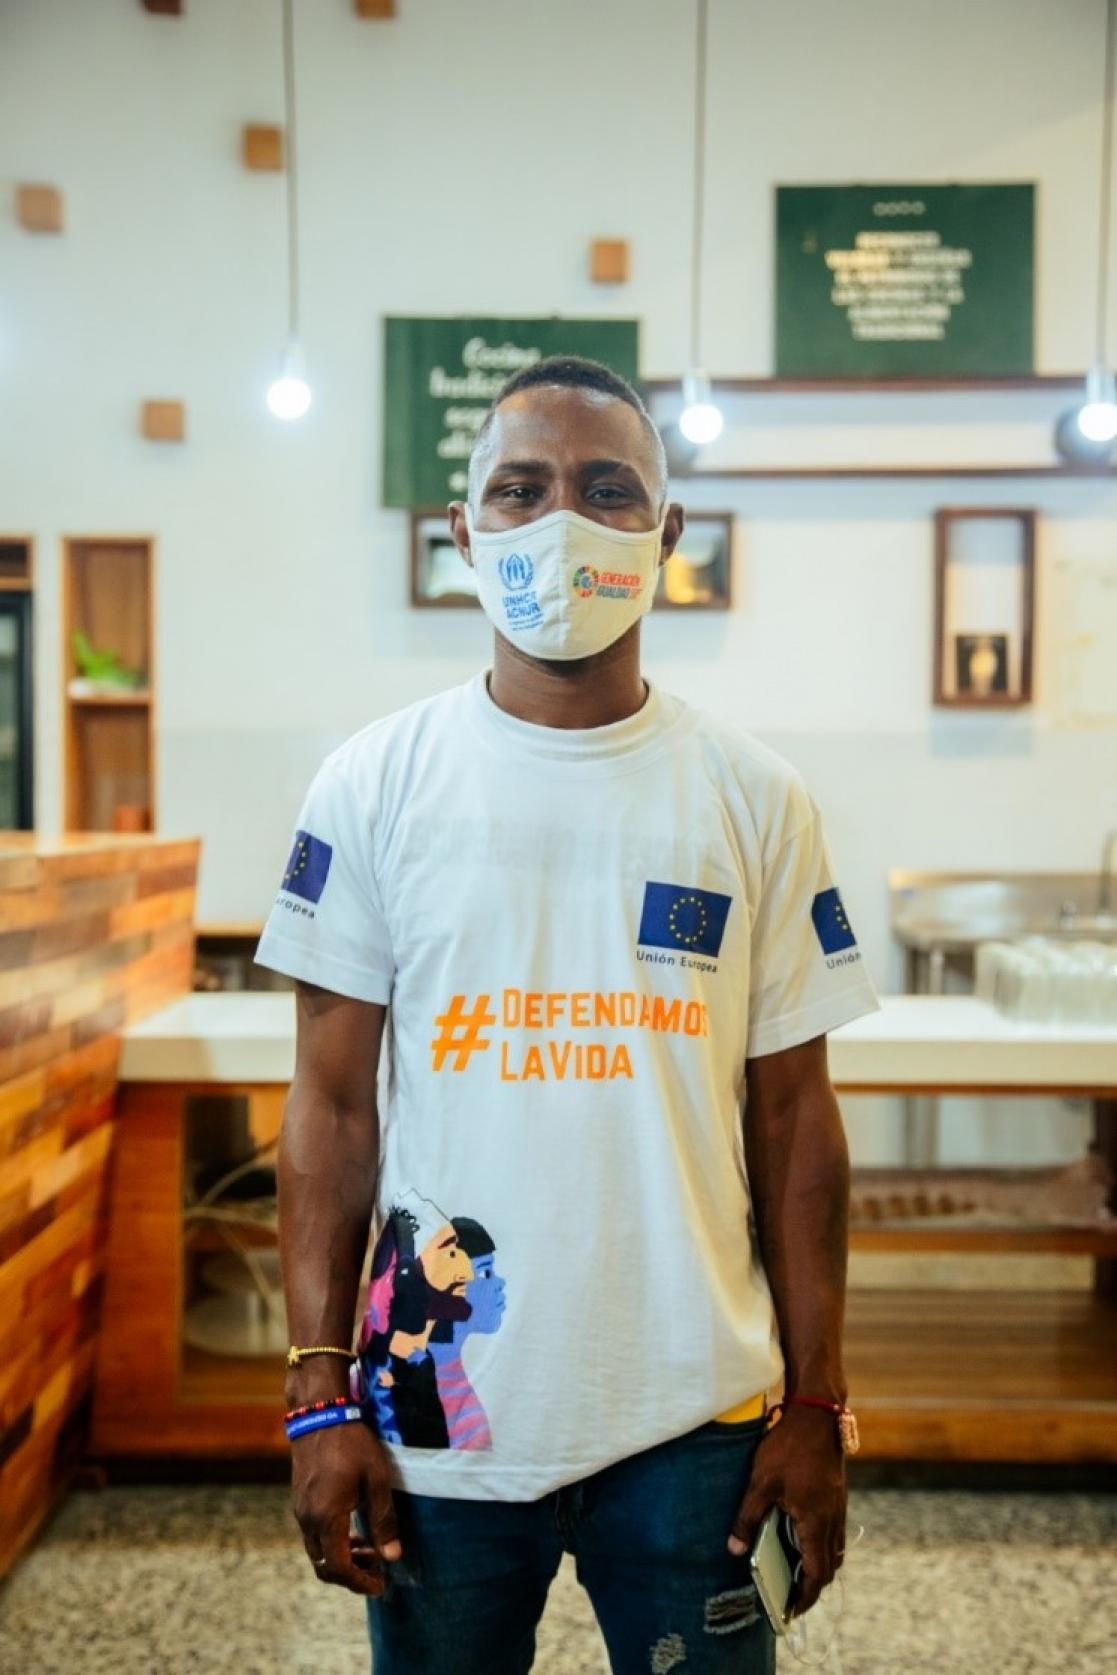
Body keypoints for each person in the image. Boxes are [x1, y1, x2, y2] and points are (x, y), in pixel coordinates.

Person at [254, 354, 881, 1675]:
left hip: (695, 1419)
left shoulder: (752, 796)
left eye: (607, 490)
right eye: (519, 489)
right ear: (459, 531)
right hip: (437, 1413)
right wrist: (319, 1392)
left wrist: (817, 1400)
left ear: (668, 535)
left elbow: (794, 1117)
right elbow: (327, 1105)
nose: (561, 523)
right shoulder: (374, 784)